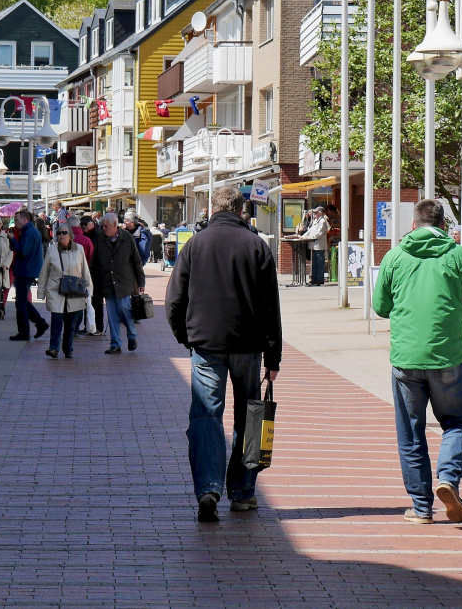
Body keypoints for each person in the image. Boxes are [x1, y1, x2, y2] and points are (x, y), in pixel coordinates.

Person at [166, 185, 282, 522]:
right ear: (241, 210)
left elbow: (174, 300)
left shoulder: (194, 245)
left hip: (206, 344)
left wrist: (185, 337)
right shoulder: (257, 246)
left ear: (212, 209)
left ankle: (208, 488)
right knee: (249, 418)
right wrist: (273, 357)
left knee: (206, 416)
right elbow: (270, 308)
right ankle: (244, 492)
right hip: (248, 346)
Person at [373, 198, 462, 525]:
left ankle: (421, 508)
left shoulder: (394, 256)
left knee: (411, 433)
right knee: (456, 421)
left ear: (413, 225)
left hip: (406, 359)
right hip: (448, 356)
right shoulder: (459, 256)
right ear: (444, 226)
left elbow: (380, 306)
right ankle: (448, 479)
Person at [91, 212, 146, 354]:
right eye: (102, 226)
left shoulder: (126, 237)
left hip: (124, 281)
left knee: (124, 308)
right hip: (107, 281)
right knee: (111, 313)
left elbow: (136, 260)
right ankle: (115, 344)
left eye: (106, 226)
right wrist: (92, 280)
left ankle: (132, 334)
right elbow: (95, 260)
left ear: (115, 225)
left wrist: (141, 281)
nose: (104, 229)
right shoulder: (101, 238)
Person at [38, 223, 92, 359]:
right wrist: (41, 291)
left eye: (64, 233)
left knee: (71, 322)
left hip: (75, 290)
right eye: (59, 233)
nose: (61, 235)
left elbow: (85, 269)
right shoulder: (51, 250)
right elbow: (45, 271)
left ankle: (68, 349)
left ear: (70, 236)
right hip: (55, 289)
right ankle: (53, 348)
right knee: (56, 319)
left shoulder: (79, 249)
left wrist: (89, 289)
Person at [8, 209, 49, 340]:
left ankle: (26, 330)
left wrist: (13, 240)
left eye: (17, 220)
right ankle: (39, 324)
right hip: (27, 269)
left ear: (25, 219)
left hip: (25, 269)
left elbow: (23, 251)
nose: (15, 223)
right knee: (22, 301)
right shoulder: (30, 231)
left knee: (20, 302)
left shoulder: (29, 232)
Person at [80, 216, 104, 335]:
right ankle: (88, 325)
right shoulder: (87, 236)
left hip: (97, 272)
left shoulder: (98, 235)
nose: (83, 226)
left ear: (91, 223)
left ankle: (98, 327)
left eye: (85, 224)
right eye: (81, 224)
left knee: (97, 300)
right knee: (87, 299)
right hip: (88, 271)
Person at [300, 207, 330, 286]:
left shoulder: (323, 221)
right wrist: (303, 236)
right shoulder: (315, 221)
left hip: (319, 245)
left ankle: (319, 280)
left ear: (321, 212)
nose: (315, 214)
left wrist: (309, 237)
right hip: (313, 245)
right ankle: (314, 279)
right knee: (314, 263)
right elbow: (310, 231)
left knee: (320, 262)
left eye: (316, 212)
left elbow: (319, 233)